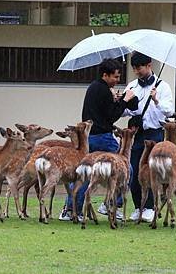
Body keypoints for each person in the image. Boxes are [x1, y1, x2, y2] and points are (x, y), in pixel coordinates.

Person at [59, 58, 138, 221]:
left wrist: (115, 100)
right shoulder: (103, 90)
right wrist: (124, 100)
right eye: (115, 77)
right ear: (105, 75)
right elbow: (111, 117)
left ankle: (70, 209)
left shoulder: (94, 88)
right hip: (103, 138)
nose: (117, 81)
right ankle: (112, 203)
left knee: (85, 173)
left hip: (89, 139)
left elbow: (104, 111)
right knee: (127, 168)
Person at [123, 52, 175, 222]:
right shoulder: (132, 86)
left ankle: (151, 207)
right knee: (135, 171)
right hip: (137, 134)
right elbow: (124, 111)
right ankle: (138, 206)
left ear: (149, 65)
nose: (136, 71)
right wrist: (122, 102)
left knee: (155, 171)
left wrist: (156, 100)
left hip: (155, 133)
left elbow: (169, 111)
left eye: (139, 68)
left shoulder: (163, 87)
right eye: (134, 69)